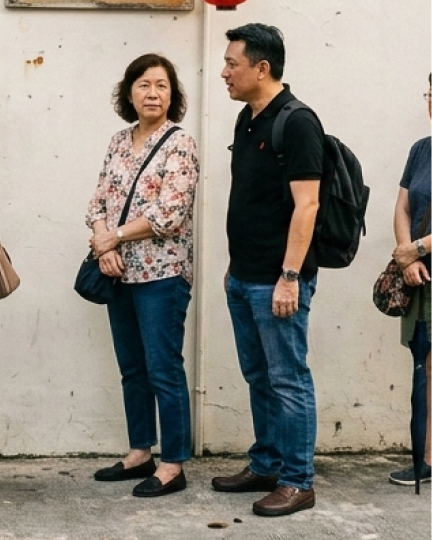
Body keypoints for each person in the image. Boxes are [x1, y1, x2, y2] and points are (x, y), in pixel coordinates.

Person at [210, 23, 324, 517]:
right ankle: (267, 463)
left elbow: (307, 205)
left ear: (262, 67)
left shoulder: (297, 122)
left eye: (232, 63)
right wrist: (235, 269)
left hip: (279, 280)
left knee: (288, 378)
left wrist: (290, 277)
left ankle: (298, 481)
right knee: (259, 376)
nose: (224, 72)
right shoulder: (247, 119)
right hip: (244, 276)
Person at [85, 54, 199, 498]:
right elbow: (97, 202)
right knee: (132, 367)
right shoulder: (117, 141)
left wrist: (113, 237)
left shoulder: (180, 143)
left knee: (163, 368)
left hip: (162, 274)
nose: (153, 93)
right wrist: (103, 241)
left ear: (173, 95)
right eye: (144, 85)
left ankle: (173, 463)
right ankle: (140, 451)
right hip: (117, 272)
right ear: (128, 92)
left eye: (162, 86)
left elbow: (169, 213)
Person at [388, 74, 431, 486]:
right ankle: (427, 457)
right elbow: (402, 206)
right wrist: (406, 256)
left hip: (425, 260)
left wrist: (418, 248)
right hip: (421, 274)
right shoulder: (421, 150)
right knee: (426, 363)